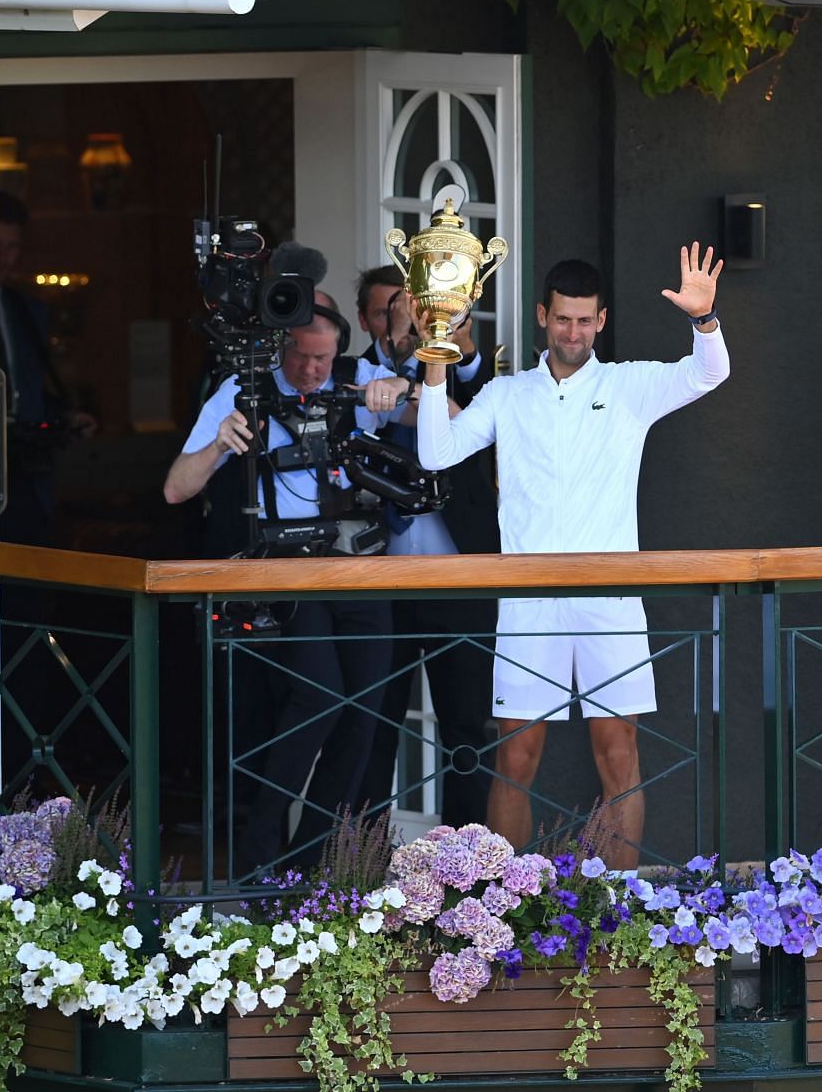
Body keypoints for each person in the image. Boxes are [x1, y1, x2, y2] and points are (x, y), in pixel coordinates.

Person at [416, 246, 729, 868]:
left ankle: (619, 911)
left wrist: (704, 321)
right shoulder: (508, 393)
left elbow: (707, 374)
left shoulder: (628, 385)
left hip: (611, 596)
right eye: (563, 319)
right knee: (515, 758)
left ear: (602, 322)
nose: (574, 332)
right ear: (542, 316)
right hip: (529, 599)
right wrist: (433, 365)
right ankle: (502, 908)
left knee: (619, 755)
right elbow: (435, 452)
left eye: (585, 321)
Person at [163, 296, 415, 873]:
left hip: (359, 568)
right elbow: (176, 488)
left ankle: (311, 862)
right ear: (281, 349)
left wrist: (403, 391)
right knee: (319, 696)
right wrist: (219, 442)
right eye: (301, 357)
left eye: (323, 358)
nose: (311, 370)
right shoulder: (242, 389)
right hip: (288, 569)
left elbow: (449, 413)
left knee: (365, 711)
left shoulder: (360, 377)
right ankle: (257, 857)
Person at [353, 269, 502, 828]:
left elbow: (471, 376)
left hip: (458, 579)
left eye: (426, 328)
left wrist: (426, 375)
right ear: (376, 326)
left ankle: (466, 870)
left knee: (465, 728)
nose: (417, 338)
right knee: (370, 726)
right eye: (407, 327)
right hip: (377, 582)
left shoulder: (459, 378)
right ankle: (357, 871)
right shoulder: (354, 377)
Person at [0, 191, 95, 548]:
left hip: (28, 474)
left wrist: (66, 417)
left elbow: (30, 386)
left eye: (13, 247)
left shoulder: (26, 309)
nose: (4, 258)